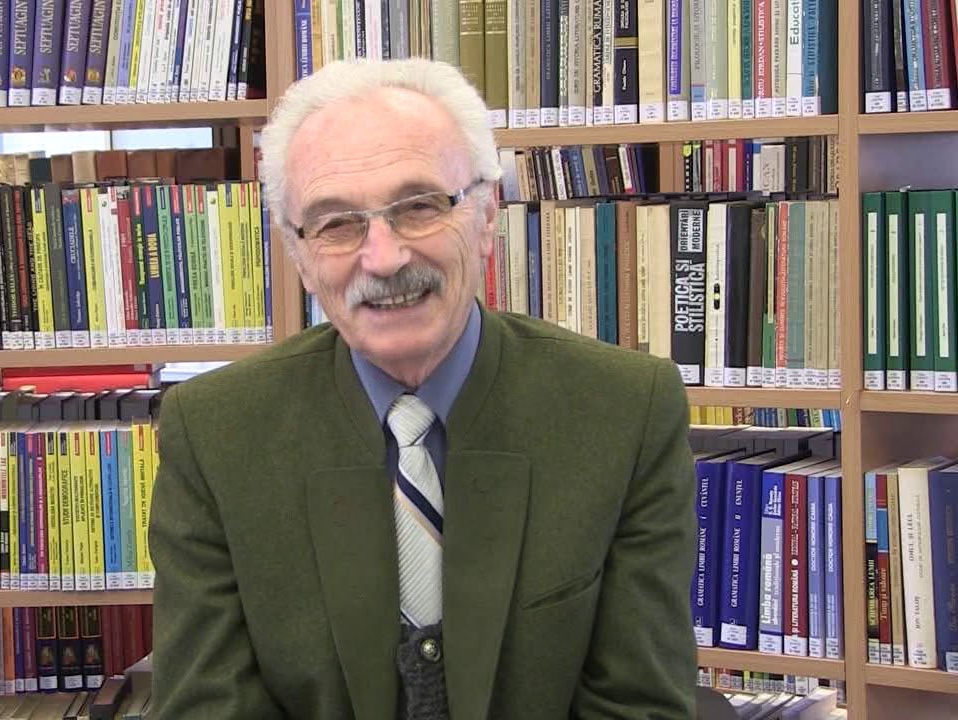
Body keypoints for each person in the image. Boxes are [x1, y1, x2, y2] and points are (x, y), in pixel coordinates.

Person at [148, 57, 699, 719]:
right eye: (336, 223)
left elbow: (640, 706)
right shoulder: (213, 434)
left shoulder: (625, 412)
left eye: (418, 207)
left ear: (487, 216)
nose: (384, 258)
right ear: (298, 257)